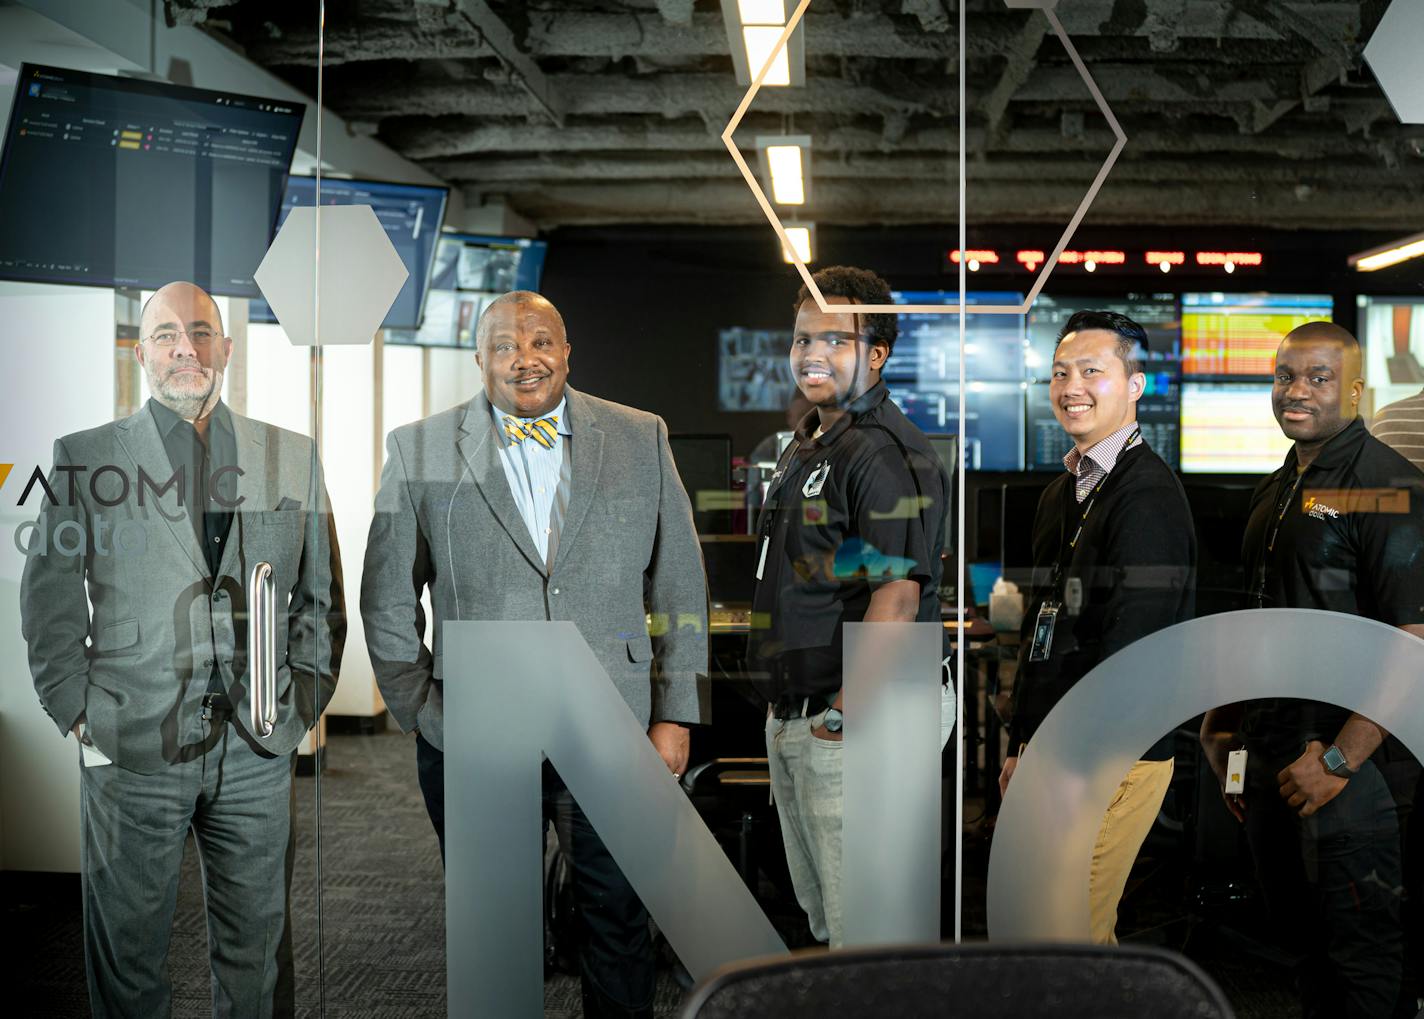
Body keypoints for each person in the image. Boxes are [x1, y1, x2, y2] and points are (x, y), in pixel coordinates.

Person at [360, 290, 707, 1019]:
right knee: (497, 926)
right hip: (474, 731)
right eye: (506, 346)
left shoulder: (641, 437)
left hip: (613, 727)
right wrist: (422, 708)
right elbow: (387, 596)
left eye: (541, 341)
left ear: (567, 349)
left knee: (618, 918)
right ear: (480, 358)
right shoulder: (418, 448)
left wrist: (675, 713)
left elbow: (678, 583)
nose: (526, 358)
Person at [20, 281, 345, 1018]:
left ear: (226, 348)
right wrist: (78, 714)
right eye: (166, 334)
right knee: (128, 963)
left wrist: (296, 709)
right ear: (142, 353)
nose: (185, 348)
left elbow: (320, 599)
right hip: (131, 745)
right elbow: (50, 600)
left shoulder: (290, 456)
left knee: (256, 954)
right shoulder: (85, 457)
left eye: (201, 332)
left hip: (257, 750)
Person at [1201, 322, 1424, 1018]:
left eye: (1318, 378)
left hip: (1351, 773)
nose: (1296, 391)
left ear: (1355, 390)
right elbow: (1263, 617)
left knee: (1363, 966)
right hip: (1270, 757)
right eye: (1285, 375)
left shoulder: (1386, 487)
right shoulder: (1278, 490)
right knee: (1302, 956)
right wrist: (1223, 725)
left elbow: (1412, 636)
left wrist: (1339, 758)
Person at [748, 265, 949, 949]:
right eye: (803, 338)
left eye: (835, 341)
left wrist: (841, 715)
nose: (812, 355)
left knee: (865, 932)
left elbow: (896, 597)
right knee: (834, 923)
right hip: (802, 717)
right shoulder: (813, 442)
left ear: (877, 355)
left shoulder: (884, 451)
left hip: (849, 722)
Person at [999, 310, 1196, 944]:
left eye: (1092, 371)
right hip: (1060, 744)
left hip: (1114, 752)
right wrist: (1021, 743)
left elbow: (1131, 643)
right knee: (1055, 925)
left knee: (1073, 926)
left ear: (1135, 386)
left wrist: (1072, 757)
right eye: (1060, 373)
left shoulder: (1147, 495)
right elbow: (1042, 626)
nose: (1071, 387)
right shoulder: (1066, 490)